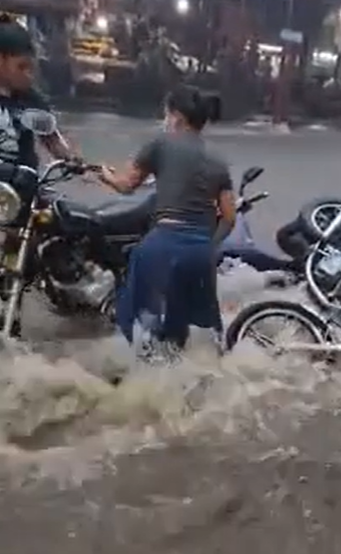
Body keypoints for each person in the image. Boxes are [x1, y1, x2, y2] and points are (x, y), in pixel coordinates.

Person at [96, 86, 236, 361]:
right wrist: (207, 246)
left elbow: (126, 186)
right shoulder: (218, 160)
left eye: (166, 114)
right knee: (193, 333)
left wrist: (104, 174)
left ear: (177, 117)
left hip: (163, 245)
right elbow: (229, 218)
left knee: (140, 324)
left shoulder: (160, 144)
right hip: (200, 253)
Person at [0, 15, 75, 175]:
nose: (29, 75)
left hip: (23, 185)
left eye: (30, 68)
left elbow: (52, 140)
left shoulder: (31, 99)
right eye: (21, 67)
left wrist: (72, 160)